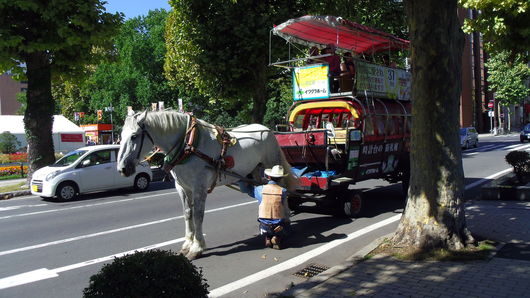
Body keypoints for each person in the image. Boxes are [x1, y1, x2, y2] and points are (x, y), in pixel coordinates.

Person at [239, 165, 290, 249]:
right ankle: (276, 237)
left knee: (267, 222)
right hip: (277, 224)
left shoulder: (259, 189)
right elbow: (285, 208)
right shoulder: (283, 191)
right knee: (287, 226)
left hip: (264, 223)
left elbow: (246, 190)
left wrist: (245, 179)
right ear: (281, 178)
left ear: (269, 177)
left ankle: (268, 237)